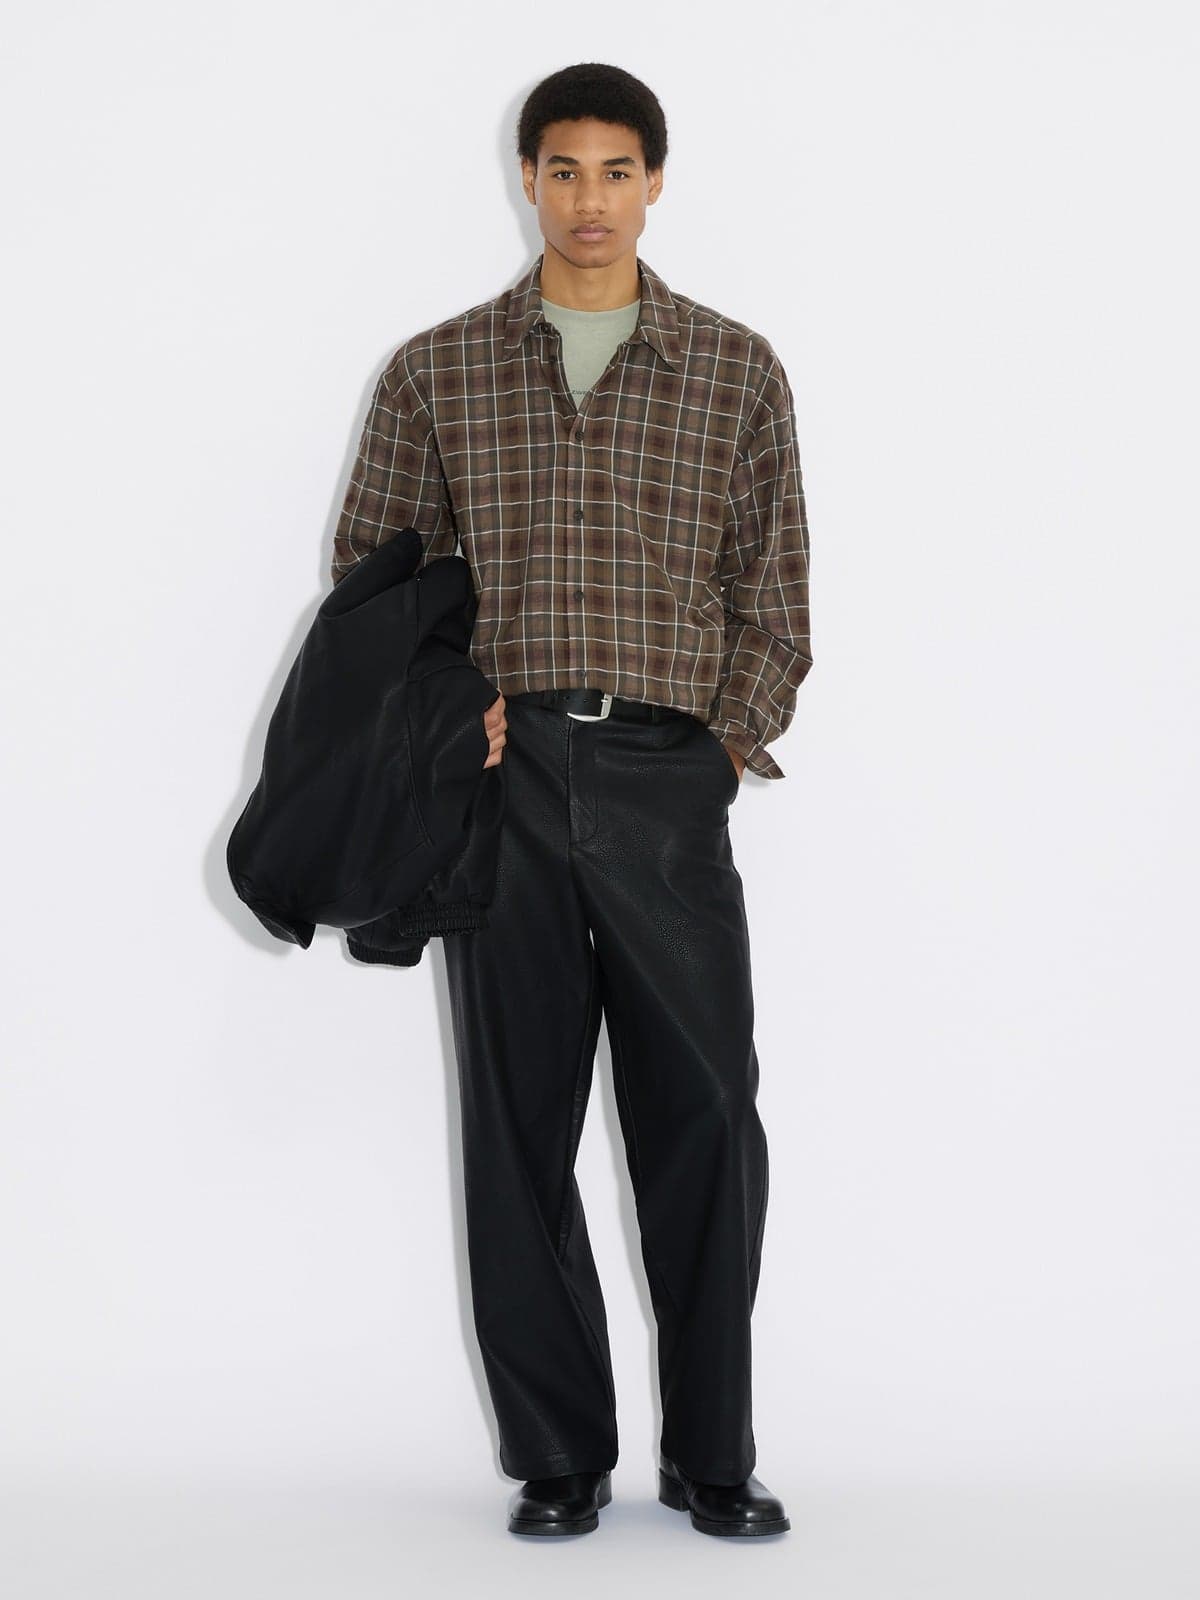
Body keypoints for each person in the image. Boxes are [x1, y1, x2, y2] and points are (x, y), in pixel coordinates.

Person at [330, 61, 812, 1539]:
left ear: (654, 181)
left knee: (707, 1115)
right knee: (518, 1118)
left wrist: (719, 748)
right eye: (563, 169)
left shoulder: (734, 368)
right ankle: (559, 1455)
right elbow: (374, 582)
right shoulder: (439, 370)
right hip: (507, 781)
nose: (589, 198)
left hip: (668, 778)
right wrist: (445, 714)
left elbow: (775, 593)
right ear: (526, 177)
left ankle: (714, 1453)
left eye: (616, 170)